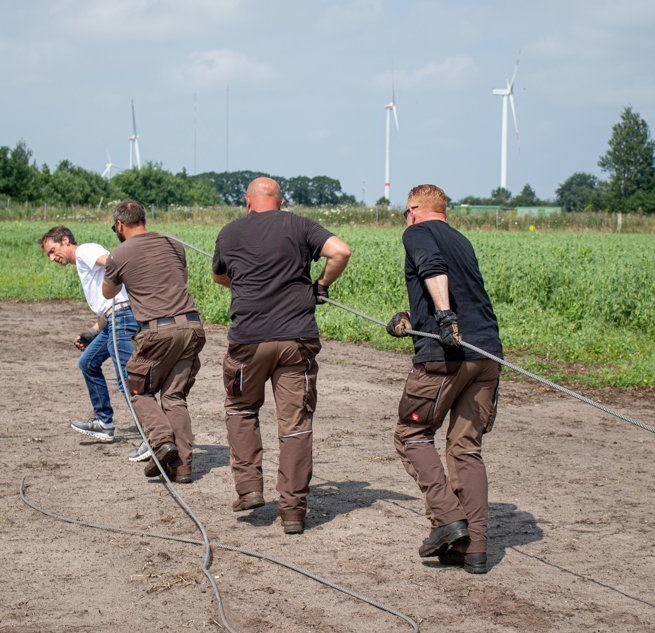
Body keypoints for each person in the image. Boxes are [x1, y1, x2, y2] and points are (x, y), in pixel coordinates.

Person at [212, 177, 352, 535]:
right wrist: (320, 285)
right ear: (281, 201)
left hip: (249, 340)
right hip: (296, 339)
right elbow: (341, 251)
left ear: (247, 203)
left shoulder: (229, 232)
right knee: (295, 425)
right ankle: (293, 511)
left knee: (241, 409)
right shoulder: (299, 224)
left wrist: (246, 282)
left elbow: (220, 278)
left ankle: (249, 489)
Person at [385, 184, 503, 574]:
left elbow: (431, 268)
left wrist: (444, 317)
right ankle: (474, 549)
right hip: (487, 356)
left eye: (406, 212)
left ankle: (449, 520)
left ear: (415, 209)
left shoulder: (417, 232)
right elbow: (460, 290)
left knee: (411, 435)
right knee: (466, 449)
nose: (405, 219)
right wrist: (411, 318)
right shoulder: (461, 240)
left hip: (446, 355)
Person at [102, 200, 205, 483]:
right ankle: (182, 468)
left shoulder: (118, 254)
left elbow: (108, 292)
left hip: (157, 331)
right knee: (174, 396)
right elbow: (181, 278)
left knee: (138, 389)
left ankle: (161, 443)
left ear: (120, 224)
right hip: (192, 326)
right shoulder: (174, 244)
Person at [39, 225, 141, 447]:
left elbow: (113, 262)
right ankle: (104, 423)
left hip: (122, 318)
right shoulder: (83, 262)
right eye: (48, 255)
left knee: (126, 379)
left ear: (65, 240)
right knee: (88, 362)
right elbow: (107, 305)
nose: (52, 258)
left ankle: (151, 435)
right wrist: (92, 332)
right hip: (112, 319)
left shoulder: (85, 250)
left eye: (52, 251)